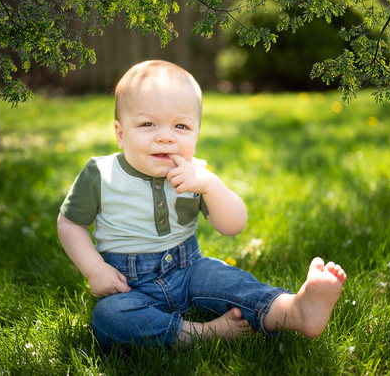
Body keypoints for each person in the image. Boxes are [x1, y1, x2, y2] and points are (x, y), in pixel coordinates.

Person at [57, 60, 347, 349]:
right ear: (121, 134)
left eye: (181, 126)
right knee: (109, 317)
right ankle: (199, 333)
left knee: (232, 282)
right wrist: (94, 269)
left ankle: (293, 310)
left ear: (196, 135)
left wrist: (210, 185)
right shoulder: (101, 174)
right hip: (128, 285)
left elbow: (233, 226)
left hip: (190, 269)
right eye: (148, 124)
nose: (165, 136)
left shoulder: (195, 173)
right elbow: (70, 223)